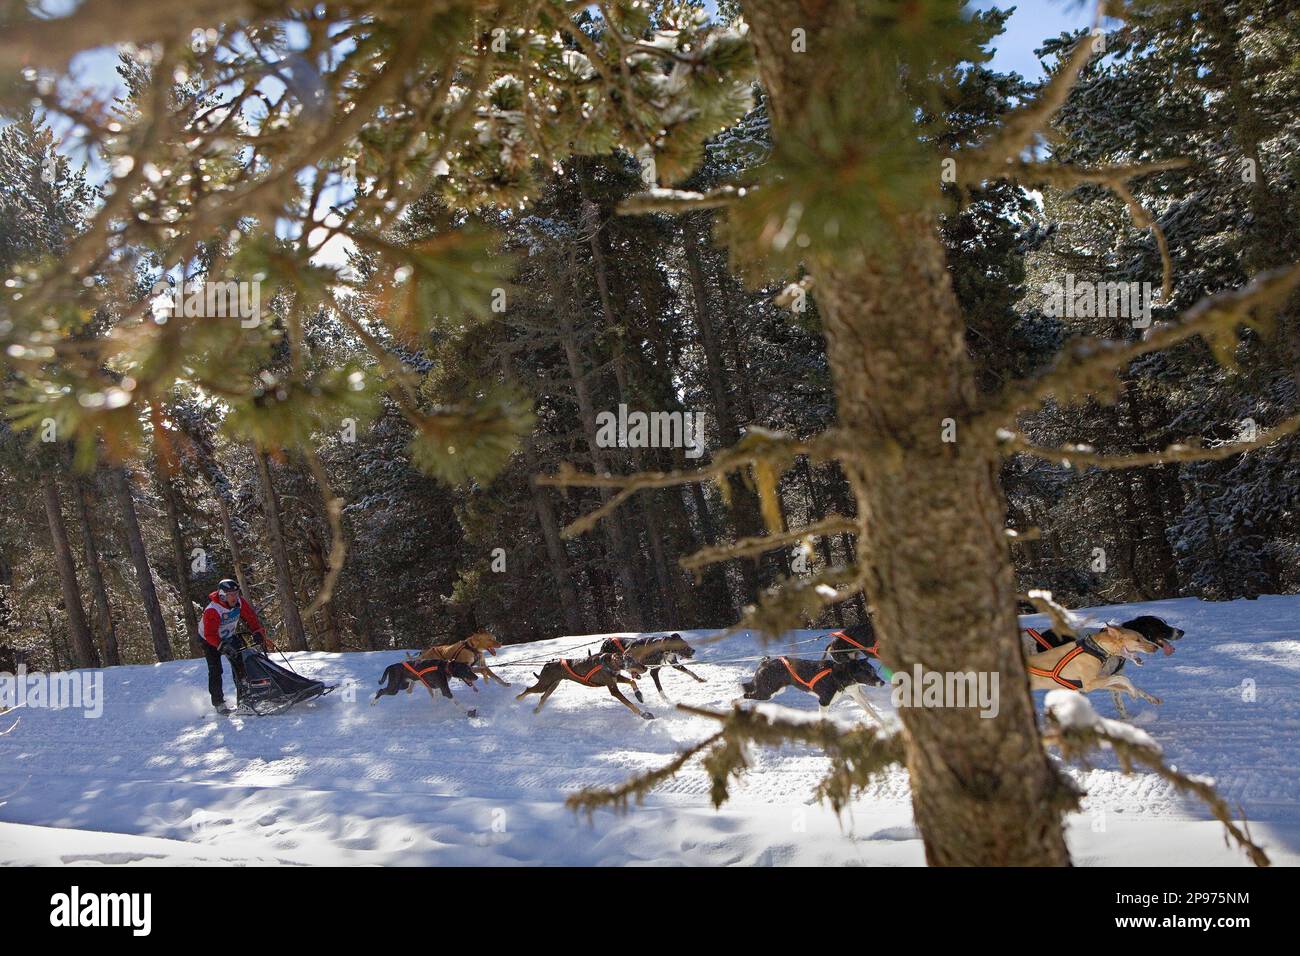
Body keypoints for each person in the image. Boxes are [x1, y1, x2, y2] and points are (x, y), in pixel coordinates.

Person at [201, 579, 268, 712]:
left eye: (236, 593)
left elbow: (251, 618)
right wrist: (222, 646)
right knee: (215, 670)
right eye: (230, 594)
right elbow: (210, 634)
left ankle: (245, 698)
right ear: (222, 595)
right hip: (209, 640)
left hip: (228, 636)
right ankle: (218, 703)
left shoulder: (239, 602)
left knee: (241, 665)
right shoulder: (213, 610)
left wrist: (257, 632)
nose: (234, 597)